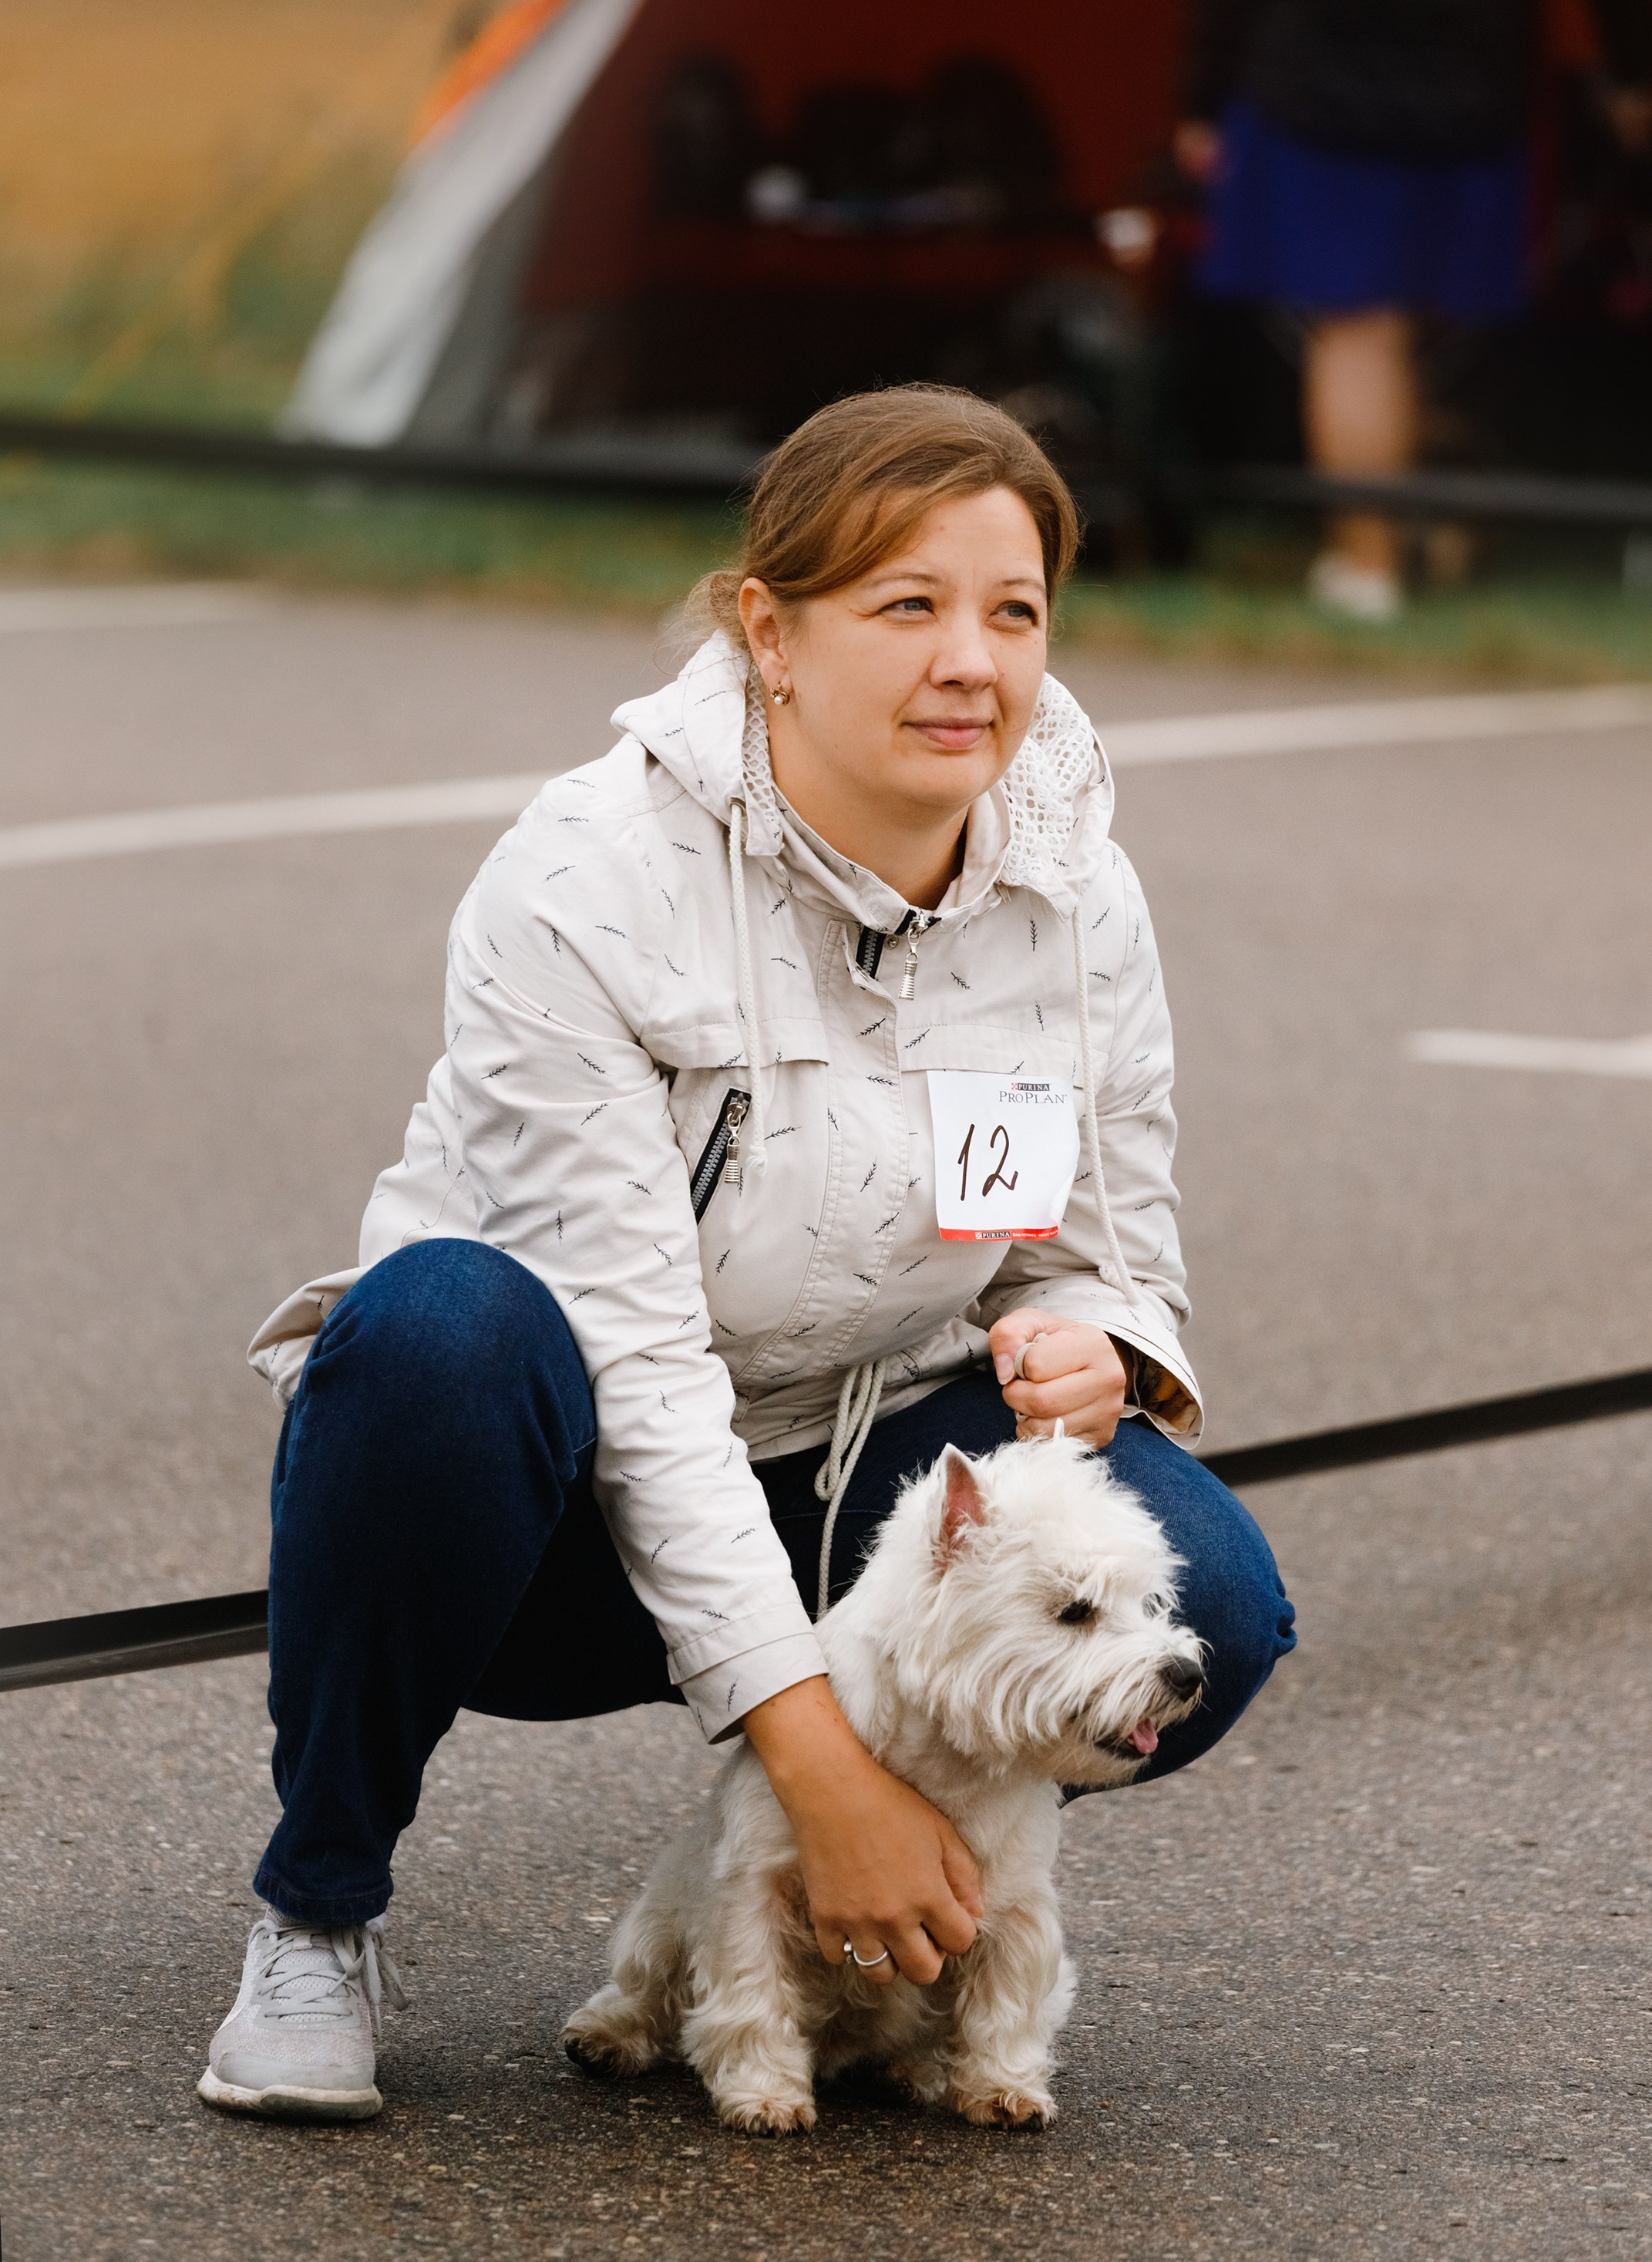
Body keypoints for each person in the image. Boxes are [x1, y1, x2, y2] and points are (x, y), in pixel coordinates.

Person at [199, 386, 1296, 2122]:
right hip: (541, 1520)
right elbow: (634, 1371)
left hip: (858, 1486)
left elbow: (1086, 1242)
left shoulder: (1078, 892)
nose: (971, 662)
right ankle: (317, 1912)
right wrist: (815, 1765)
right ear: (767, 634)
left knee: (1212, 1610)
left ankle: (897, 1897)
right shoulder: (583, 882)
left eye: (1012, 612)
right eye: (907, 605)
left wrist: (1098, 1332)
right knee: (437, 1332)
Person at [1176, 0, 1563, 617]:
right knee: (1397, 337)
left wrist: (1202, 98)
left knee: (1358, 330)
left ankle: (1366, 567)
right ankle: (1407, 547)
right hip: (1468, 89)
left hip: (1324, 94)